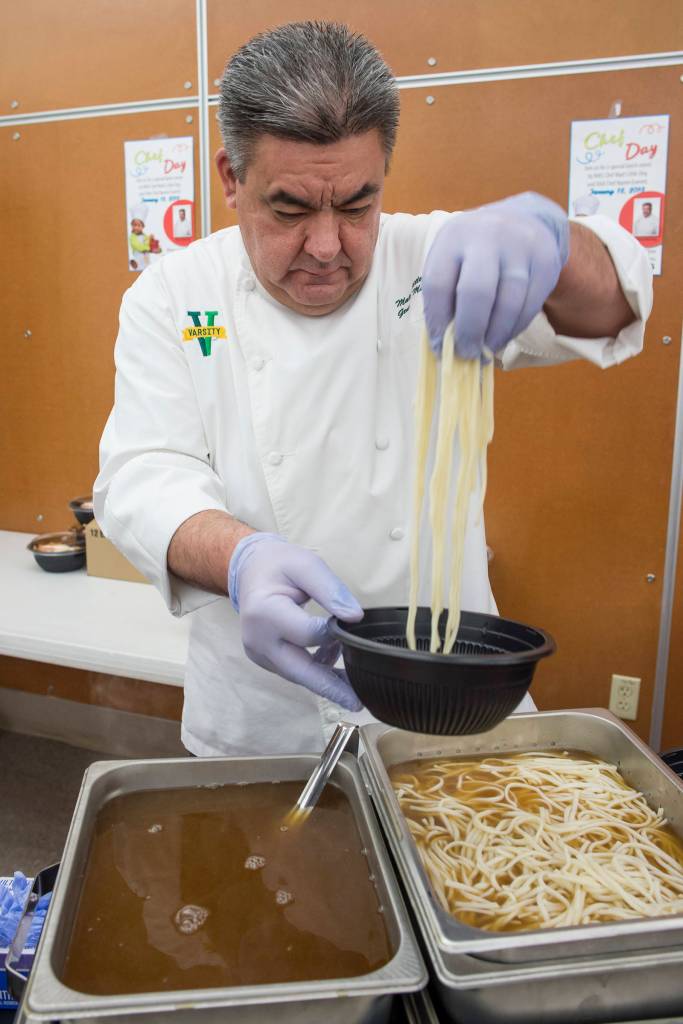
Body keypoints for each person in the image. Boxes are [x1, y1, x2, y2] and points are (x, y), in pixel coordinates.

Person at [95, 22, 652, 757]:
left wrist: (555, 246)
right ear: (231, 179)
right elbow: (143, 474)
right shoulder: (174, 296)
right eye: (289, 208)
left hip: (445, 703)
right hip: (263, 716)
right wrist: (241, 559)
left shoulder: (436, 260)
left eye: (357, 205)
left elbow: (610, 305)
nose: (326, 247)